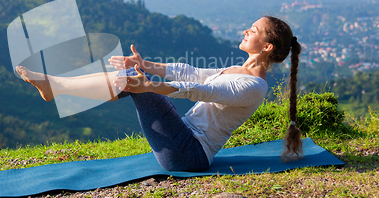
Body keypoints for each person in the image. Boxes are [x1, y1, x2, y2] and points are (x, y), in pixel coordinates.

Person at [16, 16, 302, 172]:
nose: (245, 30)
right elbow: (191, 73)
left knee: (134, 82)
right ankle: (55, 86)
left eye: (253, 30)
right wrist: (145, 66)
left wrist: (149, 86)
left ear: (266, 47)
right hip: (182, 140)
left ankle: (55, 86)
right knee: (130, 76)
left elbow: (199, 90)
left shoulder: (253, 87)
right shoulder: (238, 70)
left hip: (189, 155)